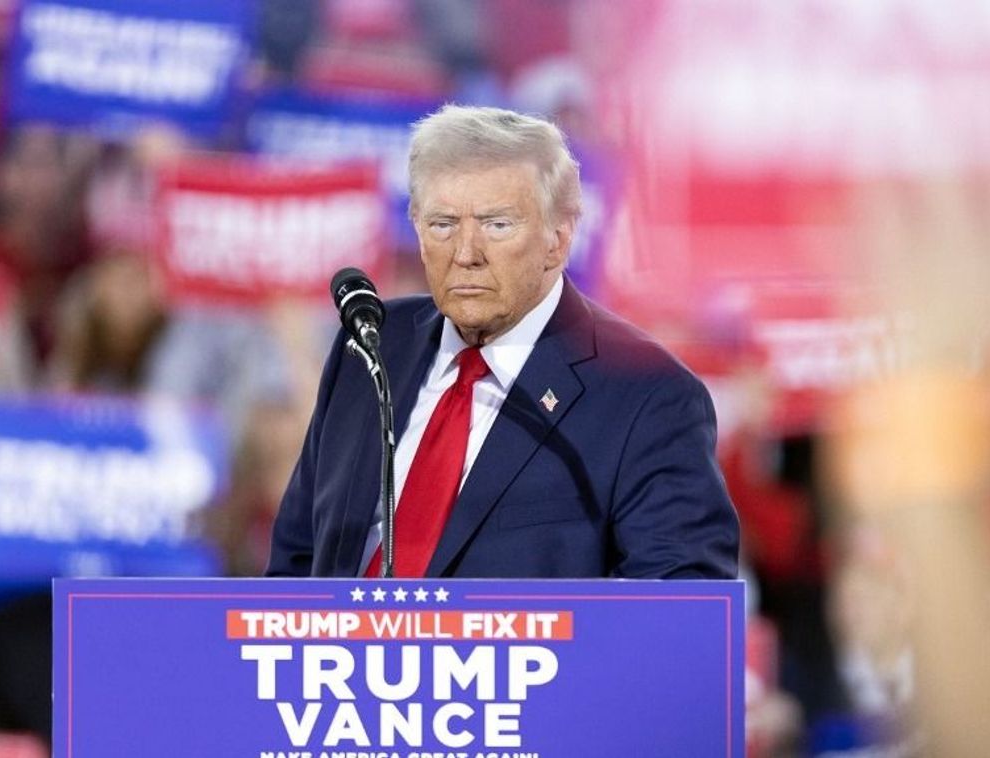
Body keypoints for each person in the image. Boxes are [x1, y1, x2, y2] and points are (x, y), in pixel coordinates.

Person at [267, 105, 738, 579]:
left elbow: (680, 610)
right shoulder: (371, 347)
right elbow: (295, 564)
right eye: (443, 224)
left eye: (497, 225)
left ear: (559, 238)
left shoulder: (646, 395)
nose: (466, 254)